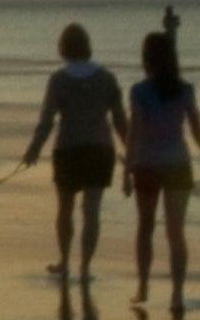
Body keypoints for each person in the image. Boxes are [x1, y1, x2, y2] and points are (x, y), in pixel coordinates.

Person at [19, 21, 127, 278]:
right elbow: (120, 119)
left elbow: (47, 120)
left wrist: (33, 149)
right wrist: (132, 149)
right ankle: (85, 267)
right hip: (100, 149)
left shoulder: (58, 80)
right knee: (92, 211)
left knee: (65, 209)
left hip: (68, 149)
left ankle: (65, 262)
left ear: (63, 49)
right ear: (88, 47)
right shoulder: (107, 77)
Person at [126, 27, 200, 312]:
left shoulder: (139, 92)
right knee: (176, 233)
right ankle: (177, 294)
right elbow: (195, 124)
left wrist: (127, 167)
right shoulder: (185, 90)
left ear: (147, 59)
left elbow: (135, 133)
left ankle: (143, 285)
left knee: (146, 227)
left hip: (148, 164)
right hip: (178, 163)